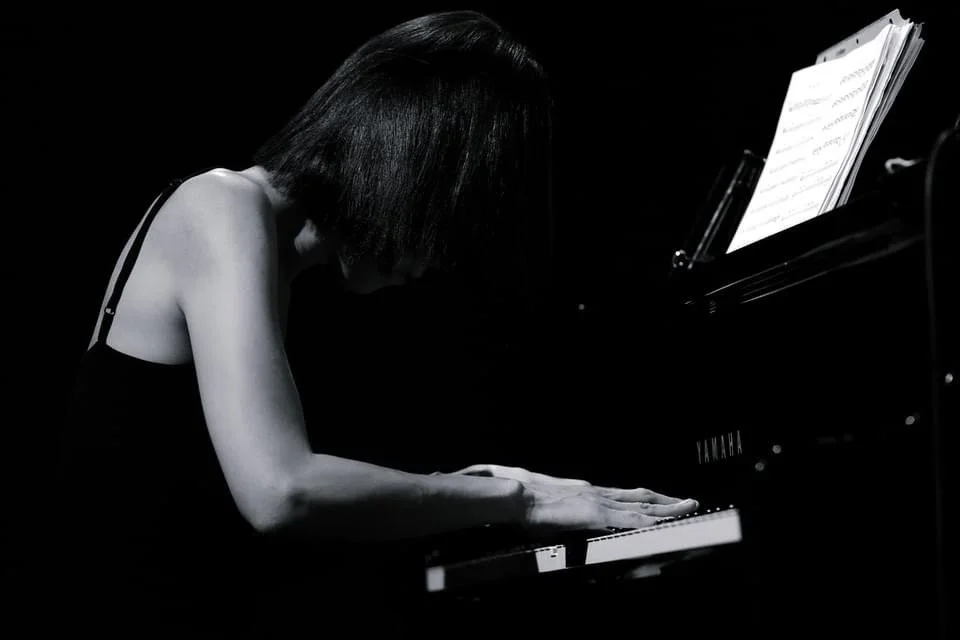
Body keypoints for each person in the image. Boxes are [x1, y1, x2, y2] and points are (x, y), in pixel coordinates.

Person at [46, 10, 698, 636]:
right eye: (453, 216)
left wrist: (476, 491)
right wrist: (517, 499)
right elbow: (282, 493)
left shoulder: (267, 248)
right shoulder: (220, 205)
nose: (444, 256)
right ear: (408, 166)